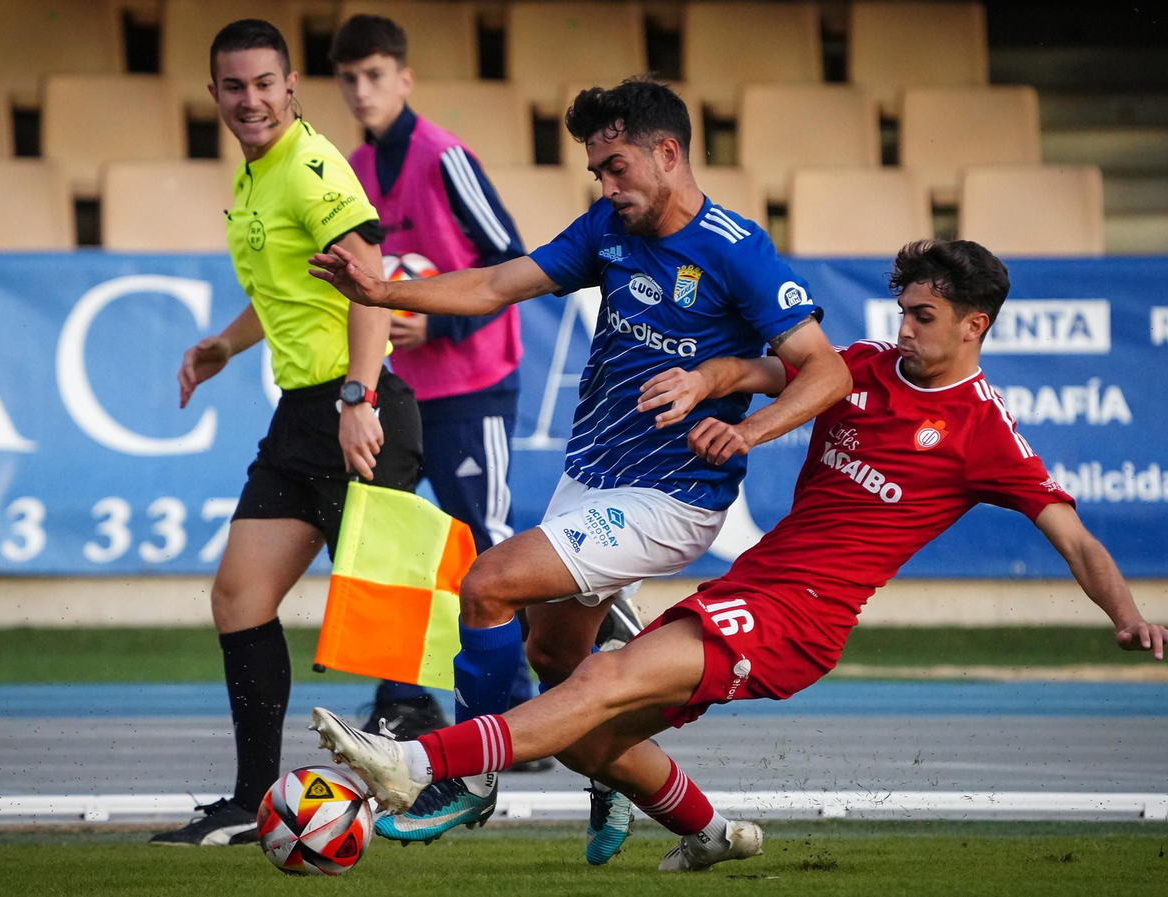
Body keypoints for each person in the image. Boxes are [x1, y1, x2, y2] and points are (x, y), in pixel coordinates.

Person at [307, 239, 1168, 871]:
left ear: (974, 325)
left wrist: (1127, 614)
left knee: (590, 687)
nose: (906, 328)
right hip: (755, 587)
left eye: (924, 316)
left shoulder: (984, 433)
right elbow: (771, 371)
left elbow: (1072, 532)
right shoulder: (865, 367)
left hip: (801, 616)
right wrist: (712, 380)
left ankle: (418, 765)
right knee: (591, 737)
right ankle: (716, 831)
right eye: (902, 311)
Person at [308, 78, 852, 856]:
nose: (605, 183)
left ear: (668, 153)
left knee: (487, 583)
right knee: (558, 668)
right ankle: (705, 827)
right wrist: (383, 288)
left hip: (671, 497)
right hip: (592, 480)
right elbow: (500, 283)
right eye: (597, 169)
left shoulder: (737, 251)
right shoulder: (607, 227)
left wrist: (747, 426)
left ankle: (466, 778)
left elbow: (826, 371)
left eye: (617, 165)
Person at [149, 19, 424, 847]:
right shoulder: (254, 177)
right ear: (215, 96)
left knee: (394, 623)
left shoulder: (309, 169)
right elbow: (286, 288)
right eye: (234, 87)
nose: (250, 100)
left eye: (264, 83)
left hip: (356, 411)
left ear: (290, 82)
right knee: (239, 596)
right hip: (301, 416)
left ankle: (465, 768)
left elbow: (368, 285)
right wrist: (225, 345)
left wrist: (358, 396)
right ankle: (248, 799)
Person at [327, 14, 555, 752]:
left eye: (374, 75)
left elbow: (510, 258)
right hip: (400, 393)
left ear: (403, 77)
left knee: (486, 548)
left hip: (473, 384)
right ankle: (405, 704)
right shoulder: (354, 170)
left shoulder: (445, 157)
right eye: (349, 78)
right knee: (390, 542)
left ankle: (515, 711)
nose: (361, 90)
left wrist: (441, 326)